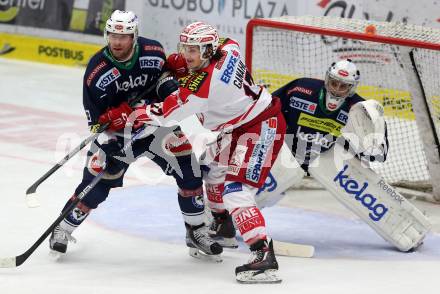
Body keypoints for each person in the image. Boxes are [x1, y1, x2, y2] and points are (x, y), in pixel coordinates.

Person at [49, 11, 222, 261]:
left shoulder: (152, 51)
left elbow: (164, 83)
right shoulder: (96, 72)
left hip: (155, 125)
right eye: (113, 35)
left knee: (189, 171)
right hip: (118, 136)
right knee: (96, 186)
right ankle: (62, 228)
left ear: (134, 35)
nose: (117, 41)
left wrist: (170, 84)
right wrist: (110, 121)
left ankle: (196, 231)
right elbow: (96, 123)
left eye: (124, 36)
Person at [134, 21, 286, 283]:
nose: (186, 55)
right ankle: (223, 225)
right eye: (185, 48)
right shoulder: (229, 48)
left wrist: (136, 113)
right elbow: (227, 43)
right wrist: (183, 66)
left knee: (236, 190)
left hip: (260, 127)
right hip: (239, 125)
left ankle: (262, 253)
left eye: (193, 50)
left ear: (208, 50)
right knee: (212, 169)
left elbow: (170, 112)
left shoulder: (204, 84)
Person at [273, 59, 389, 171]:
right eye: (334, 83)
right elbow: (268, 109)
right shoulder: (300, 89)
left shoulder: (359, 110)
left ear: (351, 88)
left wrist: (369, 147)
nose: (337, 90)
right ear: (327, 80)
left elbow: (379, 156)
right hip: (286, 157)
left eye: (343, 86)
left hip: (326, 169)